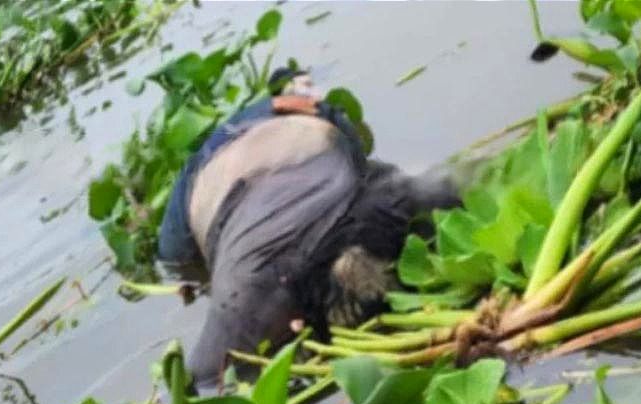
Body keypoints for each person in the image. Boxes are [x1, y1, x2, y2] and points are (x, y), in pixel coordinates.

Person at [158, 68, 460, 387]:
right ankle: (363, 240)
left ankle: (328, 276)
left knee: (207, 375)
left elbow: (174, 256)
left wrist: (192, 279)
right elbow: (356, 155)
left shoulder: (191, 175)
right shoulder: (293, 105)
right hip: (320, 149)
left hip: (251, 204)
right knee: (390, 193)